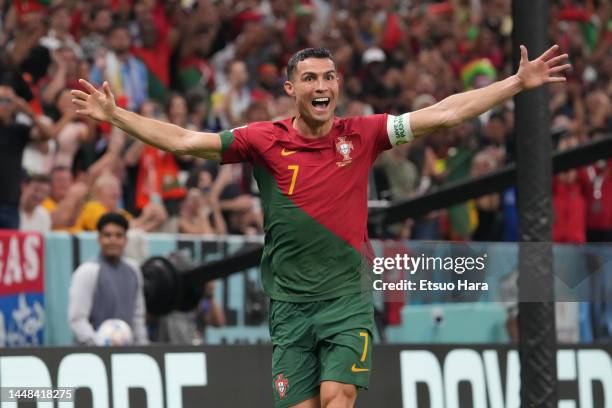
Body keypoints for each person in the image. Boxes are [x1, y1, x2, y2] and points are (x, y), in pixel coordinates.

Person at [72, 46, 570, 407]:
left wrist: (515, 84)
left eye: (329, 78)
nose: (322, 87)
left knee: (339, 396)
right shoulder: (261, 139)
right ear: (291, 89)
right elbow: (184, 141)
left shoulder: (366, 134)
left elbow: (442, 115)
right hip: (289, 304)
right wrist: (117, 116)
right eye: (310, 79)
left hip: (347, 298)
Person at [68, 212, 148, 345]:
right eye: (107, 235)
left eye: (118, 235)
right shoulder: (87, 271)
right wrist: (101, 345)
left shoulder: (133, 270)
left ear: (126, 239)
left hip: (127, 354)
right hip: (92, 355)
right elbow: (77, 319)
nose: (113, 240)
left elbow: (138, 316)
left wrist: (143, 347)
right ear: (99, 239)